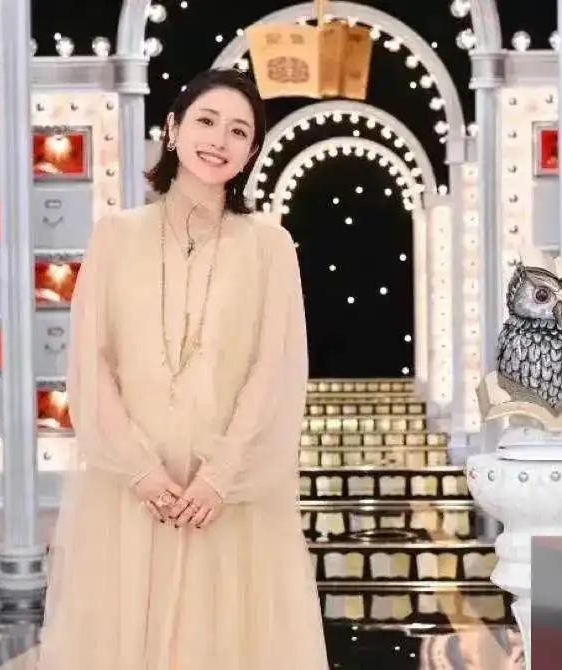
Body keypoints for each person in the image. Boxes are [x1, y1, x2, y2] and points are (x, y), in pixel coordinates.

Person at [35, 68, 328, 669]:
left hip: (229, 502)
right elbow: (91, 362)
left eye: (238, 131)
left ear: (251, 152)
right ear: (172, 128)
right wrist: (139, 468)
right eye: (207, 121)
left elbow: (272, 371)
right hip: (131, 495)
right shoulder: (115, 236)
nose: (219, 140)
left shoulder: (269, 244)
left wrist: (220, 476)